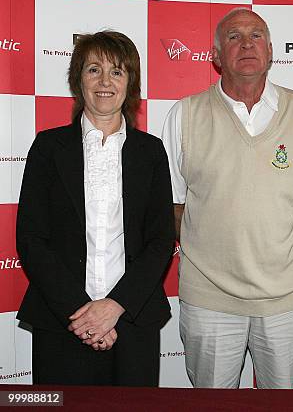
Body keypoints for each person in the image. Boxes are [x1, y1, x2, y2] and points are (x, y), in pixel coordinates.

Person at [161, 8, 293, 389]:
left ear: (270, 51)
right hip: (209, 300)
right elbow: (174, 203)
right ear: (216, 56)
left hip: (283, 300)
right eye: (233, 37)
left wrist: (267, 228)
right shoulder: (184, 114)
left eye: (256, 36)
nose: (246, 44)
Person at [16, 31, 175, 386]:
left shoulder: (151, 152)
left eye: (117, 71)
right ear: (78, 81)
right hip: (61, 321)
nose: (105, 82)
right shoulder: (48, 147)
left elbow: (161, 240)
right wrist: (85, 317)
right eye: (93, 70)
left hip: (133, 321)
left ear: (129, 83)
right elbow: (32, 239)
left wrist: (114, 306)